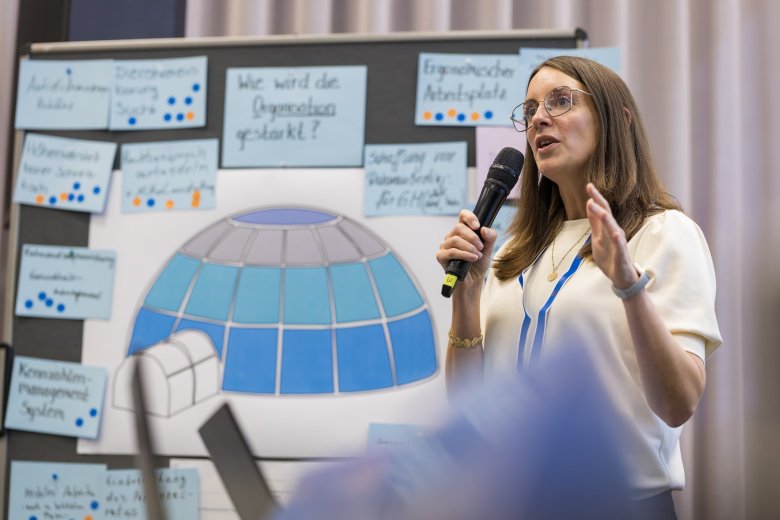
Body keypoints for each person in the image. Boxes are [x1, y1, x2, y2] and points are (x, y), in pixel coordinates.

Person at [436, 55, 722, 518]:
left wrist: (628, 286)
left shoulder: (664, 233)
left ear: (617, 120)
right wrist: (467, 296)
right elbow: (468, 408)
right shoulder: (512, 252)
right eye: (530, 110)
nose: (539, 119)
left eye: (560, 101)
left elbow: (678, 403)